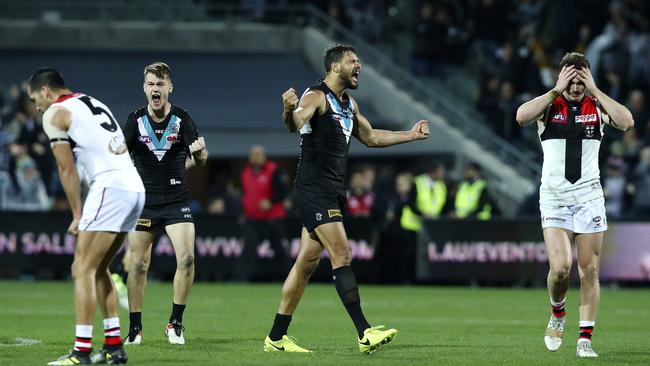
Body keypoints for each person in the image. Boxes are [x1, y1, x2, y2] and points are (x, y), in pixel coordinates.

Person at [263, 44, 430, 354]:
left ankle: (275, 337)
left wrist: (410, 134)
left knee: (306, 263)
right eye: (353, 61)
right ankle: (364, 332)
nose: (359, 66)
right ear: (335, 66)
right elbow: (295, 123)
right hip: (314, 189)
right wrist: (288, 109)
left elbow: (371, 137)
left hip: (330, 190)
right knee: (342, 253)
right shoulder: (315, 96)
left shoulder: (348, 104)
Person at [515, 52, 634, 358]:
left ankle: (584, 340)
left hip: (588, 198)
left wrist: (595, 89)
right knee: (559, 269)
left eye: (582, 78)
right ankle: (557, 313)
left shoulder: (596, 106)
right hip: (554, 197)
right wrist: (556, 88)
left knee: (589, 270)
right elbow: (521, 116)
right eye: (572, 77)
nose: (577, 84)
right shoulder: (549, 105)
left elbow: (627, 122)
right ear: (562, 76)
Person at [28, 68, 145, 365]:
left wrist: (77, 214)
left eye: (34, 99)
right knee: (99, 268)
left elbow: (66, 169)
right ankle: (113, 347)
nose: (36, 107)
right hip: (133, 187)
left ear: (45, 92)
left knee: (80, 269)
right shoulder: (92, 102)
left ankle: (81, 351)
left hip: (110, 188)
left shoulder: (54, 113)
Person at [121, 62, 208, 346]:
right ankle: (135, 329)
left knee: (187, 259)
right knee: (137, 264)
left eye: (160, 84)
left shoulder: (183, 119)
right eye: (151, 84)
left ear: (169, 87)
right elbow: (121, 156)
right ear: (144, 88)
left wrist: (201, 152)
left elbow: (200, 158)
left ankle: (176, 324)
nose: (155, 89)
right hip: (144, 203)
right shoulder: (134, 120)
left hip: (176, 202)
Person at [236, 144, 289, 281]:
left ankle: (285, 278)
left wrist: (271, 202)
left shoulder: (274, 170)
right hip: (252, 218)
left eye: (259, 154)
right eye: (253, 155)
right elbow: (246, 195)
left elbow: (283, 191)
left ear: (264, 156)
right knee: (248, 246)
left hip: (272, 217)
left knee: (278, 249)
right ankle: (242, 277)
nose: (256, 157)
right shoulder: (246, 172)